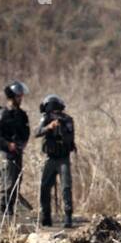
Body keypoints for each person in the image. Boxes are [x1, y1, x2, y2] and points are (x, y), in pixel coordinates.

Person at [35, 94, 76, 228]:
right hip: (50, 158)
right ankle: (46, 217)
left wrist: (61, 130)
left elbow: (70, 138)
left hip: (63, 158)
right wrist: (49, 127)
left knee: (66, 187)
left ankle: (68, 216)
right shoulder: (46, 119)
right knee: (45, 187)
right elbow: (37, 132)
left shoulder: (67, 120)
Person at [0, 81, 30, 219]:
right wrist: (8, 145)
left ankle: (11, 211)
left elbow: (26, 131)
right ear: (12, 97)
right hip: (6, 154)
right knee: (7, 184)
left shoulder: (21, 114)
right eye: (19, 96)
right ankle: (4, 213)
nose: (21, 98)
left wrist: (23, 143)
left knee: (16, 183)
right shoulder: (2, 113)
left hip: (18, 153)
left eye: (21, 96)